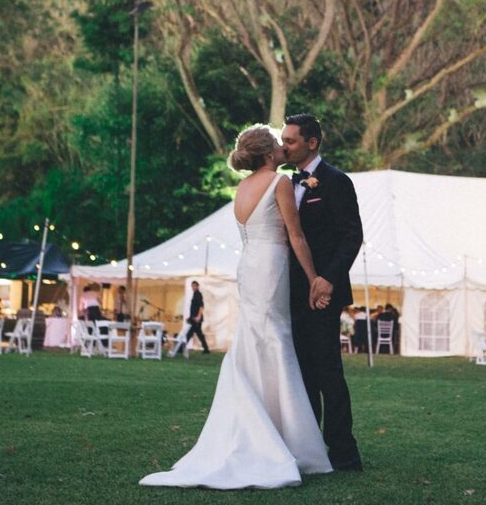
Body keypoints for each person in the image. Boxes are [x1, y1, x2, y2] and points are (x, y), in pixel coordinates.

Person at [141, 124, 332, 489]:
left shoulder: (242, 188)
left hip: (249, 265)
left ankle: (266, 427)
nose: (282, 147)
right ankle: (285, 440)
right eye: (277, 143)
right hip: (272, 264)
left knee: (256, 338)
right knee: (274, 338)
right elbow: (295, 236)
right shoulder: (277, 183)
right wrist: (313, 278)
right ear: (266, 153)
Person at [281, 112, 365, 472]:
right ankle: (310, 447)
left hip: (324, 292)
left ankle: (344, 451)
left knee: (328, 370)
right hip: (291, 292)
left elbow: (352, 235)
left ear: (311, 143)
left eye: (290, 141)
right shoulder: (285, 183)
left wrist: (328, 278)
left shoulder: (336, 181)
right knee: (302, 372)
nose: (284, 146)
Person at [182, 281, 210, 354]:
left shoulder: (198, 294)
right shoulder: (194, 294)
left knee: (195, 334)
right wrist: (190, 317)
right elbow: (194, 308)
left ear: (197, 286)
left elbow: (201, 306)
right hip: (193, 318)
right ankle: (206, 349)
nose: (193, 287)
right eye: (192, 286)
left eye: (194, 286)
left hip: (196, 319)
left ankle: (206, 349)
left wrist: (198, 316)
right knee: (193, 334)